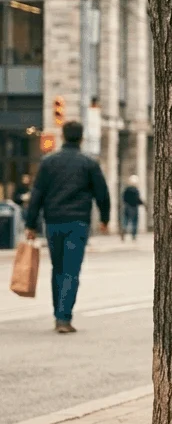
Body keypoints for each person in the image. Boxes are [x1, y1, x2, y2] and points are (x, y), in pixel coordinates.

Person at [23, 121, 111, 334]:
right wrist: (105, 219)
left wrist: (31, 224)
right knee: (71, 270)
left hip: (53, 222)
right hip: (78, 223)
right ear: (81, 138)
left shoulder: (48, 163)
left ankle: (58, 314)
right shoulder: (89, 163)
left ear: (62, 136)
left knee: (58, 268)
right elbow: (102, 193)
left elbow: (37, 194)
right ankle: (64, 317)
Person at [120, 175, 143, 241]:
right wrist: (142, 204)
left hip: (127, 206)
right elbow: (137, 199)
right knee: (134, 221)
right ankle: (133, 235)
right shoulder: (135, 190)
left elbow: (123, 198)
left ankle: (124, 229)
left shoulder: (126, 189)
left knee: (125, 220)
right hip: (134, 207)